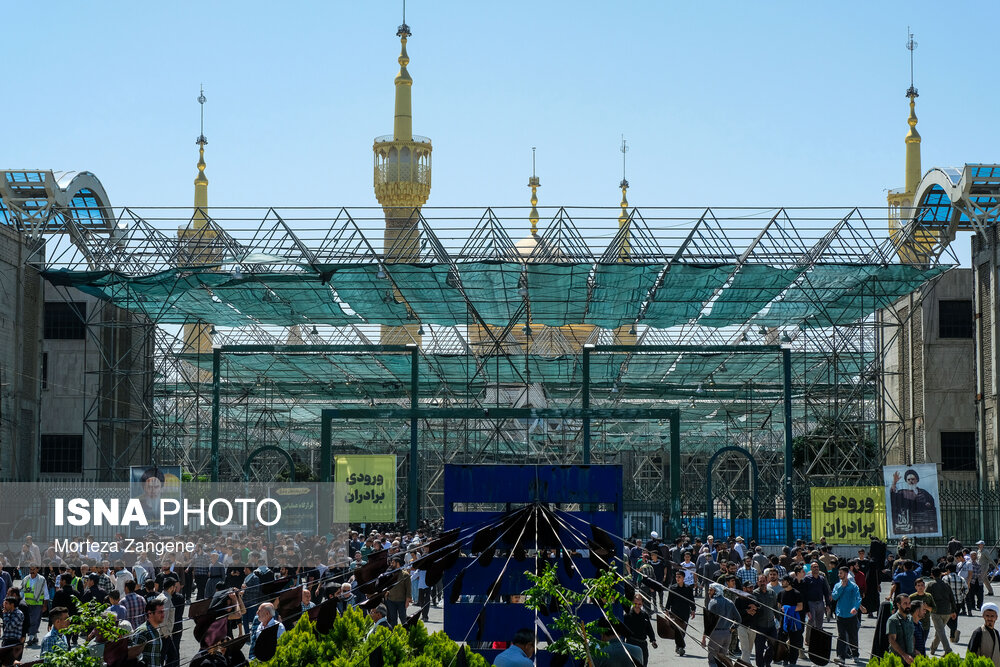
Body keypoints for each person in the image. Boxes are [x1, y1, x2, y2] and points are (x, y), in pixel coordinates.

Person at [889, 469, 938, 535]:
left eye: (912, 479)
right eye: (908, 480)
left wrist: (928, 504)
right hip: (909, 523)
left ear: (917, 480)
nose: (911, 481)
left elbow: (931, 503)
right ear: (906, 481)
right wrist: (894, 482)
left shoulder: (923, 492)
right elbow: (893, 496)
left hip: (923, 522)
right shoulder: (902, 492)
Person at [703, 583, 740, 667]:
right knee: (722, 660)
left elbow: (708, 622)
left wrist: (704, 638)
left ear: (716, 591)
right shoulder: (730, 602)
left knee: (712, 660)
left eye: (711, 590)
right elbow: (739, 619)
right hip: (727, 634)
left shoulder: (713, 602)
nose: (709, 592)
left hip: (716, 634)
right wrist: (732, 629)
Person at [831, 566, 861, 664]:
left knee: (853, 636)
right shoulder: (837, 585)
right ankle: (841, 656)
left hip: (851, 615)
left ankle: (855, 654)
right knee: (841, 636)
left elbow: (858, 598)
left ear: (846, 574)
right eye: (839, 573)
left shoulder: (853, 586)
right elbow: (834, 597)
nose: (839, 575)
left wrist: (855, 608)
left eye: (841, 573)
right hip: (840, 614)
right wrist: (841, 587)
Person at [926, 567, 956, 655]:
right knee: (939, 631)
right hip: (947, 611)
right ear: (940, 574)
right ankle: (933, 648)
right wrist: (953, 611)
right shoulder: (946, 584)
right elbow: (952, 598)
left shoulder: (930, 584)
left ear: (932, 574)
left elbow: (925, 596)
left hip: (936, 611)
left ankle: (948, 650)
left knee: (940, 631)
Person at [665, 569, 696, 657]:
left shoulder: (688, 588)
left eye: (679, 577)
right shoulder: (673, 588)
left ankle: (678, 646)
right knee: (677, 630)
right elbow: (669, 600)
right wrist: (666, 610)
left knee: (683, 631)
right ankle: (681, 647)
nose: (677, 578)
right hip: (674, 612)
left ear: (683, 578)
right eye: (676, 577)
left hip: (685, 613)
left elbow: (691, 600)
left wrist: (693, 610)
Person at [622, 594, 656, 666]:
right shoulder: (627, 616)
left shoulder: (645, 615)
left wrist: (653, 640)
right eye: (635, 604)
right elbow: (623, 631)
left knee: (644, 663)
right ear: (632, 603)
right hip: (631, 644)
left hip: (642, 644)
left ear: (642, 604)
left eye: (639, 604)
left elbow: (649, 629)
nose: (637, 606)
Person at [778, 574, 804, 665]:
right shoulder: (781, 593)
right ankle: (785, 658)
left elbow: (800, 607)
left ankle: (793, 661)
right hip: (783, 621)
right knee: (782, 640)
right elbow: (779, 606)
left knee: (794, 642)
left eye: (784, 581)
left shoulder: (796, 593)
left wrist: (788, 609)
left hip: (794, 621)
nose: (782, 582)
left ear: (788, 582)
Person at [132, 598, 165, 667]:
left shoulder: (155, 630)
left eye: (163, 611)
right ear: (150, 613)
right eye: (159, 612)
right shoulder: (143, 632)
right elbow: (132, 658)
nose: (163, 615)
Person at [886, 594, 915, 666]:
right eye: (905, 603)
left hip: (909, 658)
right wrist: (904, 655)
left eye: (909, 603)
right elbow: (892, 640)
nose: (908, 606)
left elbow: (912, 636)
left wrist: (914, 651)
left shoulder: (910, 618)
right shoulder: (893, 620)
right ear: (898, 605)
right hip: (897, 659)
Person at [383, 555, 412, 626]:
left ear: (397, 563)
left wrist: (408, 600)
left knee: (403, 619)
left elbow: (408, 589)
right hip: (390, 601)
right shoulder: (389, 574)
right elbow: (385, 585)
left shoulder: (405, 575)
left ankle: (406, 633)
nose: (391, 564)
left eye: (393, 563)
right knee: (393, 619)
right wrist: (385, 592)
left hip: (401, 601)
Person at [22, 565, 47, 645]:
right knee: (29, 621)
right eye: (30, 569)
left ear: (37, 570)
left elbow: (45, 592)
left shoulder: (41, 579)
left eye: (33, 569)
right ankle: (35, 636)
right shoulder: (26, 579)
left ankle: (31, 638)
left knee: (34, 621)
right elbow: (22, 591)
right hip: (27, 604)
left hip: (37, 604)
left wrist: (45, 604)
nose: (32, 571)